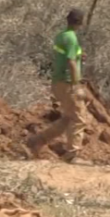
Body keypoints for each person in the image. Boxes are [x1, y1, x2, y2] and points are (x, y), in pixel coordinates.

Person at [27, 8, 87, 162]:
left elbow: (67, 56)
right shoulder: (72, 38)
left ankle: (37, 141)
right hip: (68, 83)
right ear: (80, 22)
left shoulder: (62, 36)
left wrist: (79, 55)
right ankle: (72, 154)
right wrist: (77, 85)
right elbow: (71, 62)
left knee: (67, 119)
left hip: (58, 82)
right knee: (79, 119)